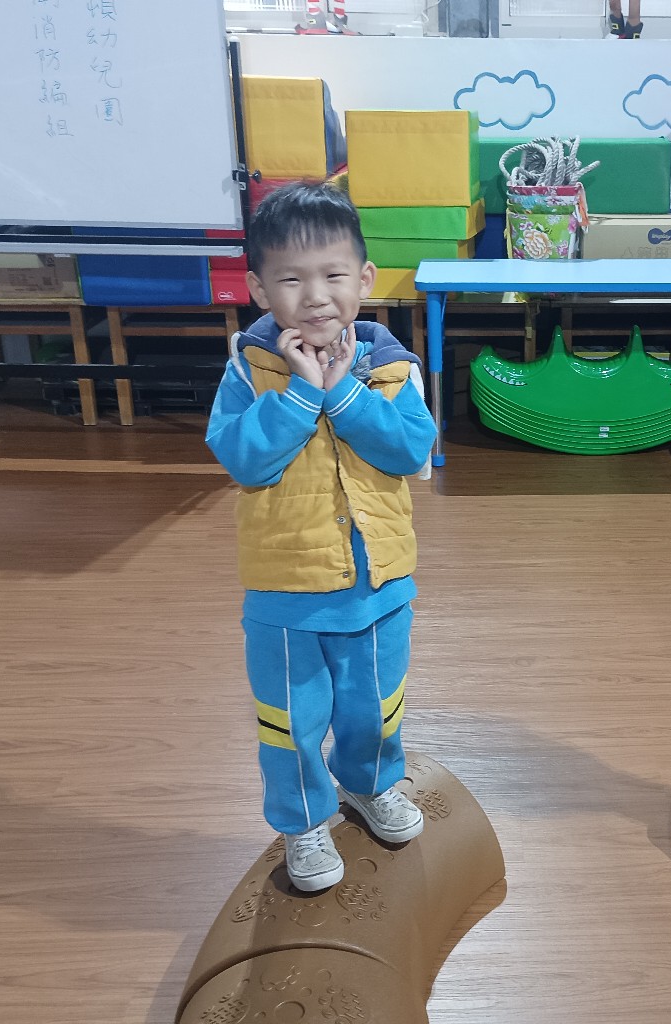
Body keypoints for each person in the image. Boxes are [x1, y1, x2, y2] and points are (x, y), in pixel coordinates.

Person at [206, 182, 436, 891]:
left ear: (364, 279)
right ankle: (302, 821)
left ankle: (369, 785)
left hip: (380, 588)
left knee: (376, 708)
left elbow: (411, 450)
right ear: (257, 287)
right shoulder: (249, 369)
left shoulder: (391, 367)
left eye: (334, 275)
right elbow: (243, 459)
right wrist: (303, 394)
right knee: (291, 722)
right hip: (287, 597)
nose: (315, 296)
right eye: (291, 279)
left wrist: (345, 394)